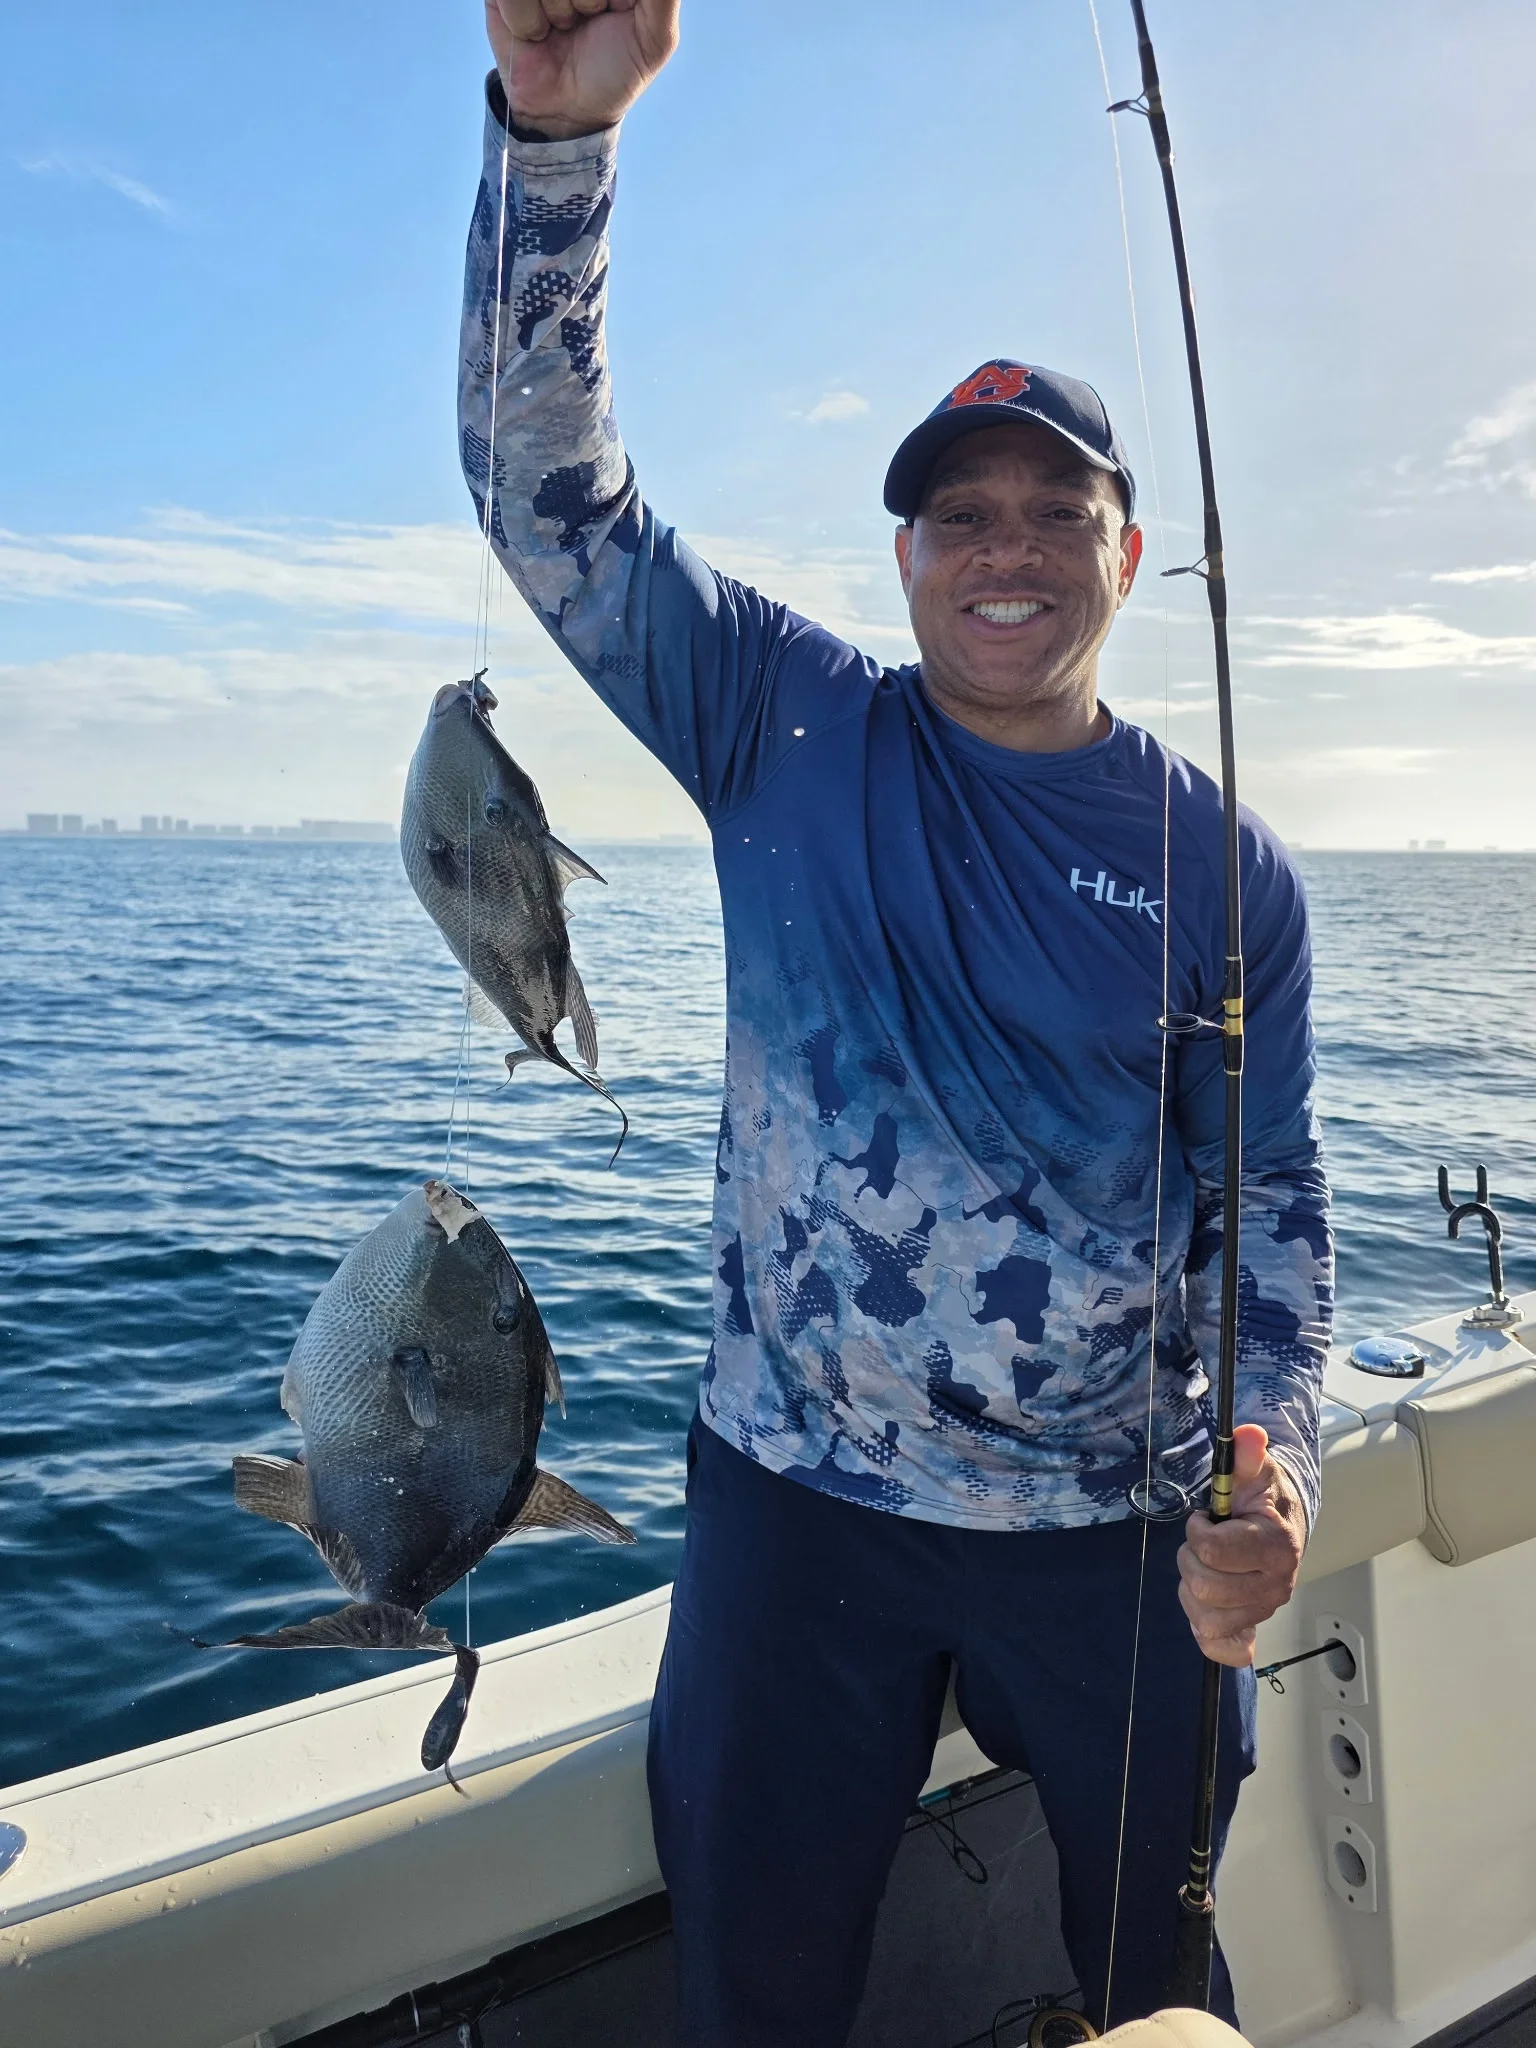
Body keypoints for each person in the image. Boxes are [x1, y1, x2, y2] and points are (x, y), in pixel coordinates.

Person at [467, 4, 1333, 2040]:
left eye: (1055, 512)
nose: (1007, 550)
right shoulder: (779, 718)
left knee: (1152, 1981)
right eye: (963, 514)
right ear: (907, 556)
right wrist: (551, 140)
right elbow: (541, 494)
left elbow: (1270, 1221)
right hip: (792, 1504)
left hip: (1111, 1532)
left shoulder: (1235, 878)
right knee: (757, 1988)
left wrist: (1271, 1465)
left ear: (1127, 551)